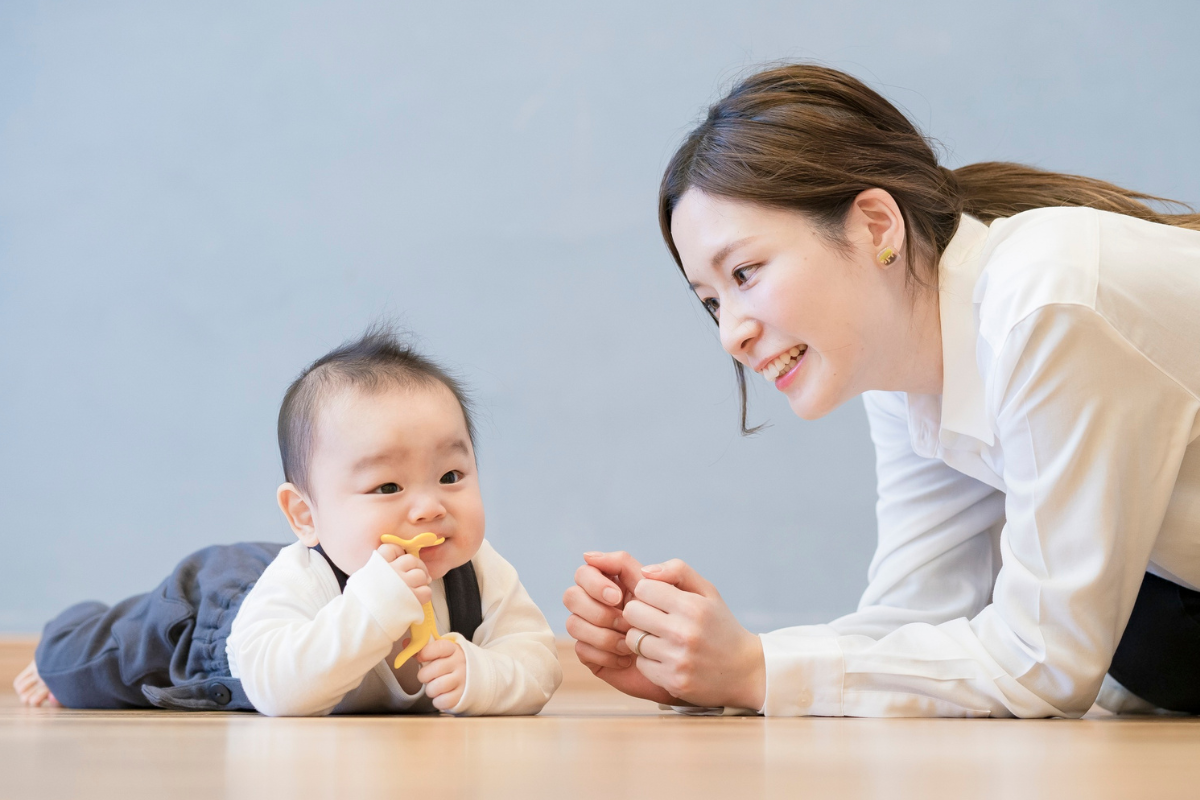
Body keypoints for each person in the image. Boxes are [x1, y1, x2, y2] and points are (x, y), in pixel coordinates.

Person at [564, 63, 1200, 718]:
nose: (731, 334)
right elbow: (914, 613)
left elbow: (1042, 661)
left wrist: (756, 673)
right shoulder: (905, 366)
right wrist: (711, 667)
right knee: (1135, 635)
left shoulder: (1043, 305)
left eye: (746, 273)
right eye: (710, 302)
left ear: (874, 225)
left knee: (1133, 635)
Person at [16, 326, 562, 715]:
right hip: (218, 613)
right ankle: (64, 638)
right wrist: (370, 609)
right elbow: (280, 691)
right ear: (305, 514)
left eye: (450, 476)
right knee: (98, 662)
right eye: (388, 487)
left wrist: (486, 677)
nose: (429, 508)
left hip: (300, 580)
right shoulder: (297, 581)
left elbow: (537, 658)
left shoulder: (476, 571)